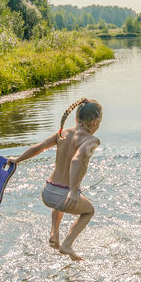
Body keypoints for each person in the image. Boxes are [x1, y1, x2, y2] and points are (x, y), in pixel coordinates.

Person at [7, 98, 102, 261]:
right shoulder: (92, 140)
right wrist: (73, 191)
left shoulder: (63, 133)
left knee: (59, 204)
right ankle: (67, 244)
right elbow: (76, 160)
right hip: (64, 195)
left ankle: (54, 233)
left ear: (77, 119)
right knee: (89, 211)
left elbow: (38, 148)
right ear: (95, 122)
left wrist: (17, 160)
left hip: (48, 192)